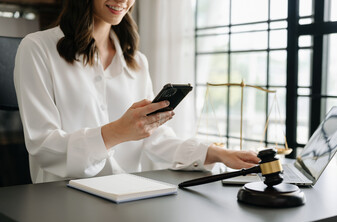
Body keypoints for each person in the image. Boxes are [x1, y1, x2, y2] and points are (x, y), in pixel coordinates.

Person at [14, 0, 260, 184]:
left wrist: (216, 153)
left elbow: (155, 137)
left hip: (127, 196)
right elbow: (43, 146)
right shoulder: (37, 49)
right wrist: (116, 132)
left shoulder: (137, 62)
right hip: (60, 201)